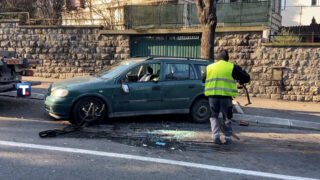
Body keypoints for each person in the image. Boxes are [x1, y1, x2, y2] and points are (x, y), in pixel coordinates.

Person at [202, 50, 250, 145]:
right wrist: (240, 80)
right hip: (226, 97)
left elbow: (203, 79)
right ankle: (228, 138)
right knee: (227, 117)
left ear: (218, 58)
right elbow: (246, 78)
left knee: (213, 116)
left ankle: (215, 137)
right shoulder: (232, 67)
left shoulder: (210, 67)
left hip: (213, 96)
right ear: (227, 59)